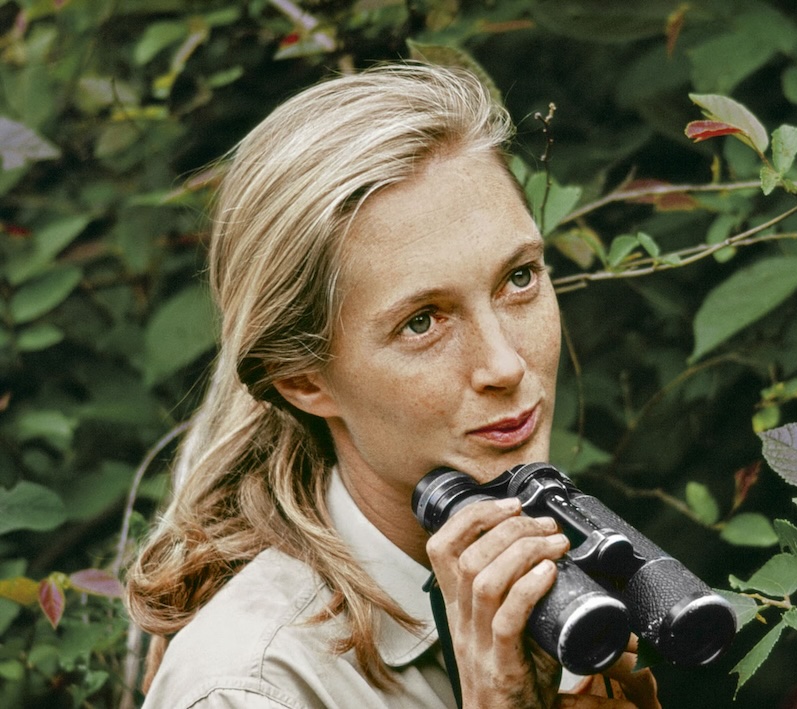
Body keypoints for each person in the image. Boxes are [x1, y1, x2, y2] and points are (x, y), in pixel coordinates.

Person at [125, 62, 660, 709]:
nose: (504, 364)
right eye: (422, 321)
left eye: (518, 278)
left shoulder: (561, 596)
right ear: (301, 378)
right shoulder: (247, 686)